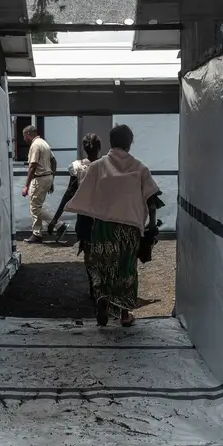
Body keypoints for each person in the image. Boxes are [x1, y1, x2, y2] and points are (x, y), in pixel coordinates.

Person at [65, 124, 160, 328]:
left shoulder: (98, 166)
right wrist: (152, 226)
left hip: (104, 226)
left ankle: (102, 299)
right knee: (126, 269)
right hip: (130, 228)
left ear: (111, 142)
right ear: (130, 143)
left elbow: (84, 193)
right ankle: (125, 315)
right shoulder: (140, 168)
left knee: (103, 264)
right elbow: (152, 201)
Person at [47, 133, 101, 241]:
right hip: (102, 216)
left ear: (84, 148)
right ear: (99, 147)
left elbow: (69, 193)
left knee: (86, 248)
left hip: (84, 216)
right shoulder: (105, 165)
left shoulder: (78, 167)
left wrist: (55, 219)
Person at [20, 124, 63, 244]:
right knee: (37, 205)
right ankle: (37, 233)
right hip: (47, 177)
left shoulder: (35, 145)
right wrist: (52, 178)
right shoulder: (44, 143)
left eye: (24, 136)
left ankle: (58, 224)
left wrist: (26, 185)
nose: (24, 139)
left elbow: (33, 166)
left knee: (35, 207)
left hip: (39, 178)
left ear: (28, 134)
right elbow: (53, 161)